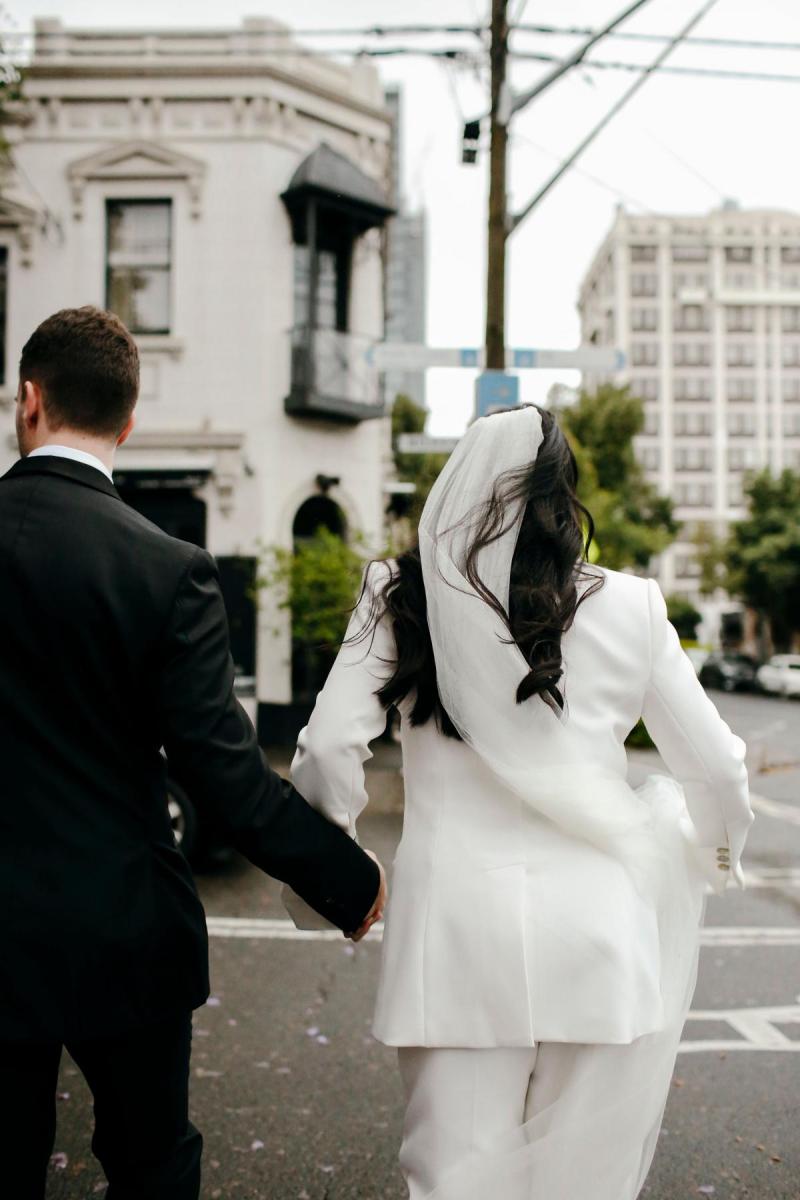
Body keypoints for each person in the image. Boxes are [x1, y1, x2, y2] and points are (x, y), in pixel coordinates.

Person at [288, 403, 753, 1200]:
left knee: (453, 1182)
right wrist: (716, 857)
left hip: (456, 940)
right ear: (563, 501)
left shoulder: (399, 594)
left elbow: (330, 745)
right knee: (581, 1185)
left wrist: (339, 872)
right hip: (597, 935)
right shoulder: (631, 605)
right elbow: (715, 768)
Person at [0, 306, 386, 1200]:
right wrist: (347, 879)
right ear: (127, 423)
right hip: (123, 927)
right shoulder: (167, 569)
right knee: (150, 1162)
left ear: (28, 400)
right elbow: (227, 776)